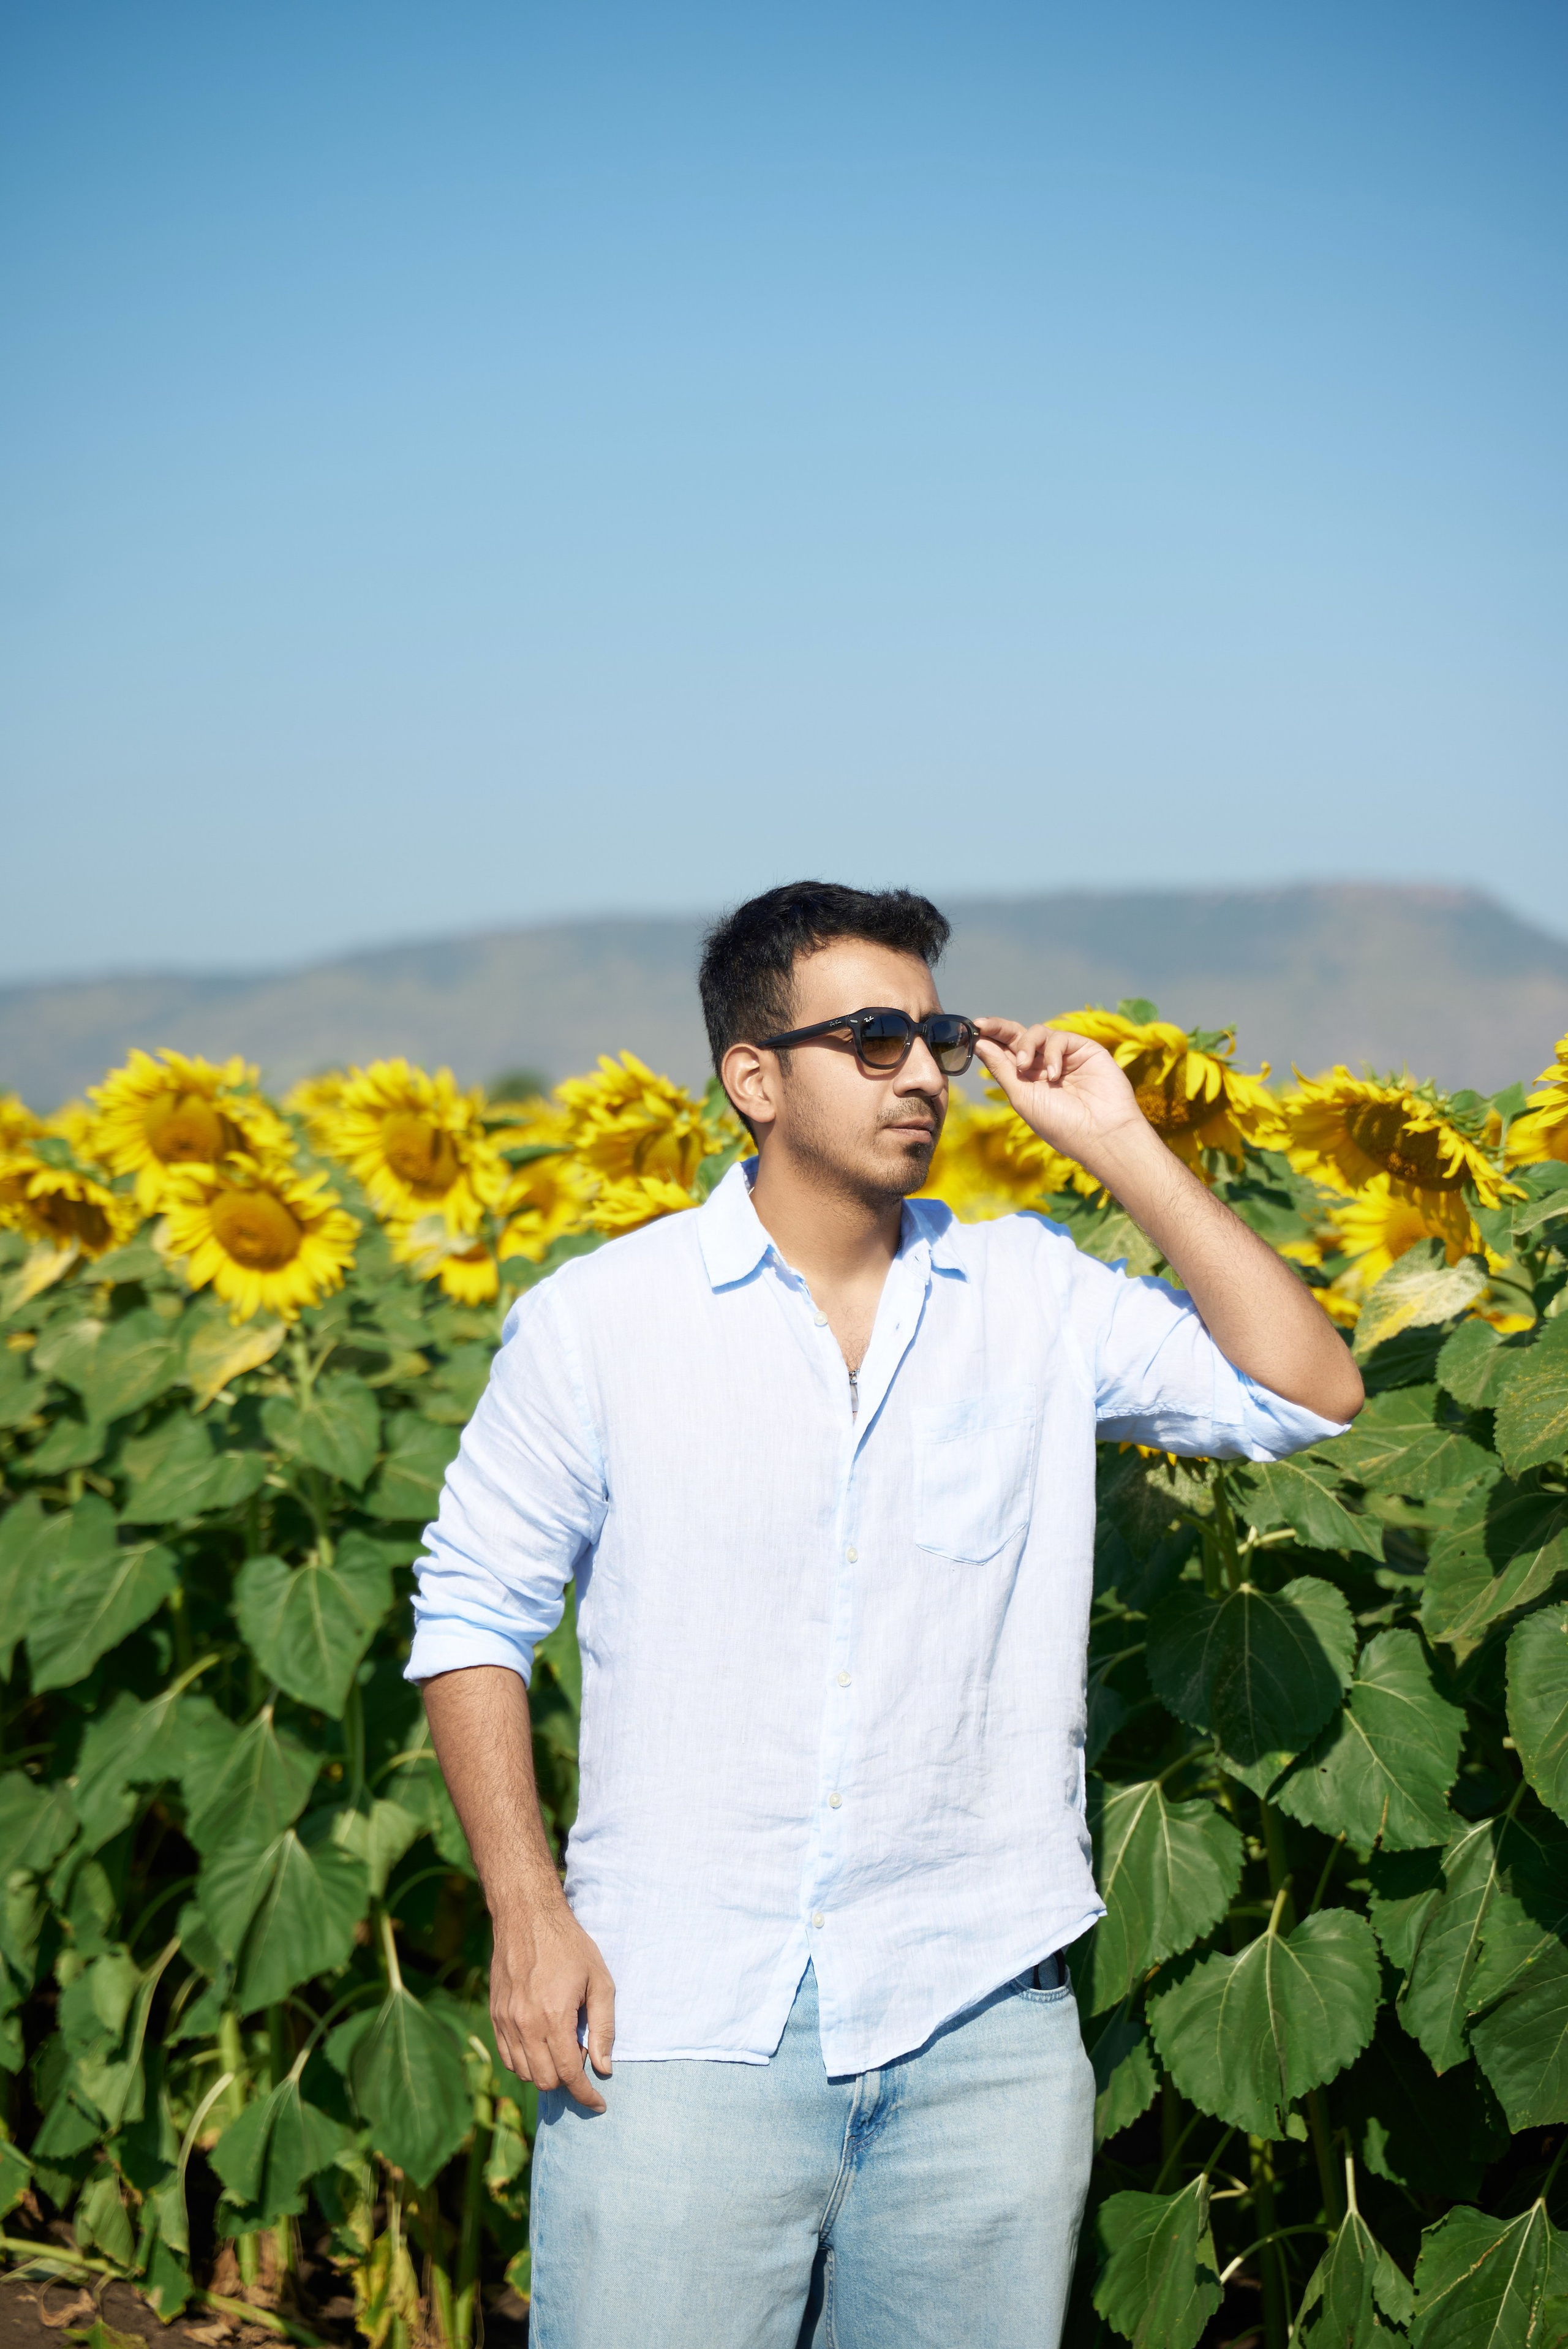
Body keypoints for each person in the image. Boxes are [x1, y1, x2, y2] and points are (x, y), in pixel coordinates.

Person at [410, 881, 1363, 2349]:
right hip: (677, 2015)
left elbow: (1305, 1393)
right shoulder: (604, 1319)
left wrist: (1119, 1141)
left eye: (933, 1036)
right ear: (753, 1077)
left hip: (977, 2014)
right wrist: (526, 1916)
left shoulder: (1031, 1295)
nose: (920, 1070)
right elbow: (474, 1612)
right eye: (869, 1038)